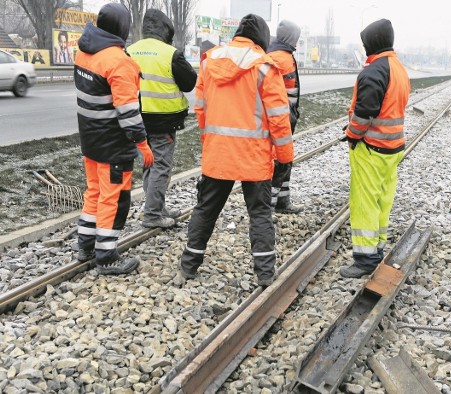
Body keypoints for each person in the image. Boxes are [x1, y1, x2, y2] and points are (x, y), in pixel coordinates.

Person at [179, 14, 293, 286]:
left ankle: (188, 266)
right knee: (260, 214)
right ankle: (265, 274)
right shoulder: (265, 67)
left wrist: (210, 143)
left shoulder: (211, 62)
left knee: (206, 210)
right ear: (262, 38)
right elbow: (279, 118)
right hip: (253, 158)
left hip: (219, 154)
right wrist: (285, 157)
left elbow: (201, 109)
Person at [74, 3, 154, 275]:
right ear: (123, 27)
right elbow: (129, 113)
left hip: (90, 140)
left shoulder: (84, 52)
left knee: (94, 191)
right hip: (112, 146)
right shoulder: (119, 61)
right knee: (113, 197)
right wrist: (143, 145)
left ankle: (85, 244)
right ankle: (107, 256)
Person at [339, 19, 410, 278]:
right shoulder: (398, 68)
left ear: (372, 42)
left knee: (364, 202)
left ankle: (365, 259)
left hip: (371, 148)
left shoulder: (374, 71)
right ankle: (377, 248)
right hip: (393, 147)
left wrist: (351, 134)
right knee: (382, 200)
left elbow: (364, 114)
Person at [128, 9, 197, 228]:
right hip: (162, 121)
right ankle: (152, 215)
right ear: (165, 29)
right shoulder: (170, 53)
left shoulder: (129, 51)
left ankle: (156, 207)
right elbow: (189, 82)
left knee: (149, 164)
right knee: (160, 166)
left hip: (136, 119)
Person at [267, 20, 303, 214]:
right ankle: (270, 206)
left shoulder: (275, 54)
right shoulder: (283, 58)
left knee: (284, 159)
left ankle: (281, 200)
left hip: (282, 116)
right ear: (291, 37)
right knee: (281, 160)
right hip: (283, 118)